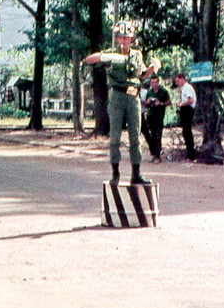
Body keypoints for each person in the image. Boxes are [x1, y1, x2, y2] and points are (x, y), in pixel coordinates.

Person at [84, 20, 159, 185]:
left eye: (127, 37)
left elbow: (142, 75)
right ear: (116, 39)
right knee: (115, 137)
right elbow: (89, 59)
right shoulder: (111, 54)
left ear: (131, 39)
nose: (124, 40)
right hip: (117, 96)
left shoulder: (137, 55)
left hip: (134, 98)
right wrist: (109, 57)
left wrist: (152, 69)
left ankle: (136, 174)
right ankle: (115, 174)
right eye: (121, 37)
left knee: (135, 137)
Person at [143, 75, 171, 163]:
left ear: (158, 82)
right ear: (150, 83)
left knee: (158, 135)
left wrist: (161, 103)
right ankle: (154, 153)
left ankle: (157, 156)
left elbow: (169, 102)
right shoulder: (149, 92)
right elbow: (146, 105)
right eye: (152, 82)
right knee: (152, 135)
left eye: (156, 82)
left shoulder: (163, 91)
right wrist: (148, 102)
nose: (154, 84)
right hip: (150, 116)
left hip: (159, 116)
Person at [175, 73, 197, 161]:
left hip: (187, 110)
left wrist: (181, 104)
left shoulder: (187, 87)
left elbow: (190, 100)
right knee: (185, 132)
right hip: (184, 110)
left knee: (187, 132)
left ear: (182, 79)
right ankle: (189, 153)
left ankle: (191, 155)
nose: (177, 83)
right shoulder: (184, 88)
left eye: (178, 81)